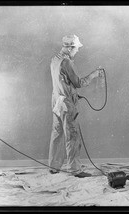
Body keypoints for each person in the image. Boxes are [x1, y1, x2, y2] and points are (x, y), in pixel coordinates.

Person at [48, 34, 104, 177]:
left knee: (57, 133)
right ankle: (75, 170)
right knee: (72, 136)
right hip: (66, 104)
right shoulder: (66, 62)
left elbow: (63, 82)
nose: (77, 51)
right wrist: (94, 74)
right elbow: (78, 83)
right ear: (70, 48)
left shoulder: (55, 60)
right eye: (76, 48)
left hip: (57, 101)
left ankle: (54, 167)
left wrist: (71, 93)